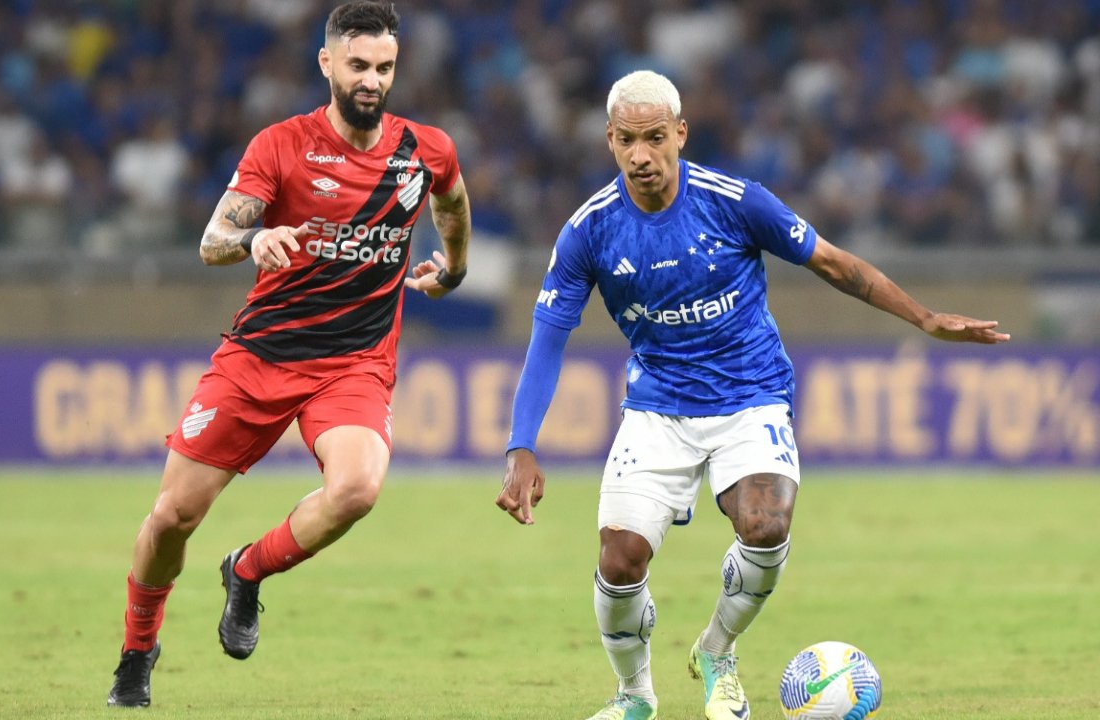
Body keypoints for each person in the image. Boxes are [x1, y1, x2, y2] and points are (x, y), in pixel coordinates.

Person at [495, 70, 1008, 720]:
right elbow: (547, 338)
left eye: (655, 138)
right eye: (627, 140)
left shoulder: (736, 202)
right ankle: (635, 695)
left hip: (751, 395)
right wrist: (521, 445)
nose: (641, 155)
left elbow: (836, 264)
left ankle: (717, 651)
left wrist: (925, 318)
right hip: (657, 408)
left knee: (766, 524)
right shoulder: (589, 231)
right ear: (610, 141)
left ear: (681, 133)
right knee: (620, 561)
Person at [106, 1, 471, 708]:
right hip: (260, 359)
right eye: (358, 65)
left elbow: (451, 203)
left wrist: (453, 269)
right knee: (173, 517)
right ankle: (138, 647)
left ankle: (247, 570)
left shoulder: (425, 150)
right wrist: (254, 239)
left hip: (354, 365)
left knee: (358, 489)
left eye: (384, 68)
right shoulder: (281, 145)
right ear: (327, 63)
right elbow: (212, 240)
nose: (371, 80)